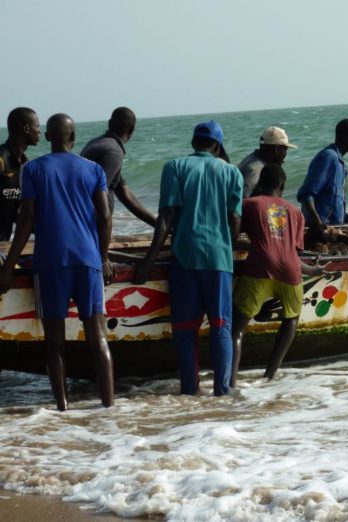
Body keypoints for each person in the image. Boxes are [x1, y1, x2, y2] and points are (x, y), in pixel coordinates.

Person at [0, 113, 114, 411]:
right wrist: (103, 258)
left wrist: (9, 266)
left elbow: (25, 221)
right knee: (98, 337)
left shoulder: (32, 169)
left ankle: (62, 409)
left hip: (51, 262)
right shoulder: (94, 169)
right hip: (88, 261)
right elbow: (104, 216)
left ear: (49, 137)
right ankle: (108, 406)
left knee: (54, 343)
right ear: (73, 136)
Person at [133, 121, 243, 396]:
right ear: (217, 146)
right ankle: (222, 392)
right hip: (218, 258)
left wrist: (148, 262)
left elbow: (166, 218)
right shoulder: (232, 173)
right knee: (221, 326)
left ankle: (189, 392)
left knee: (184, 330)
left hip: (183, 257)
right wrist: (228, 249)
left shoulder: (175, 167)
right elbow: (235, 219)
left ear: (193, 142)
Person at [232, 164, 325, 385]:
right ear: (282, 186)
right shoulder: (295, 212)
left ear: (259, 183)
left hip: (260, 268)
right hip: (291, 272)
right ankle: (269, 376)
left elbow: (233, 235)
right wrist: (313, 270)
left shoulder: (250, 205)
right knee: (291, 318)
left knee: (236, 329)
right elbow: (289, 253)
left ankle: (230, 382)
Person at [81, 107, 157, 227]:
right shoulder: (114, 152)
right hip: (89, 223)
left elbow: (124, 194)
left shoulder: (96, 143)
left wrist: (157, 224)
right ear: (132, 130)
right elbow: (97, 195)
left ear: (109, 123)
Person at [297, 119, 348, 236]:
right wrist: (317, 222)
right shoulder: (329, 157)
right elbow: (306, 195)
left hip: (333, 229)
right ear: (347, 139)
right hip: (321, 231)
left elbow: (334, 202)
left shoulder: (340, 163)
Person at [0, 107, 41, 240]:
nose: (40, 131)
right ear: (26, 129)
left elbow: (20, 213)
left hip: (4, 244)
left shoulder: (26, 164)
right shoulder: (1, 159)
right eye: (37, 126)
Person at [238, 126, 296, 197]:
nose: (285, 154)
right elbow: (245, 201)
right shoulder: (256, 169)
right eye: (285, 149)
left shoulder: (251, 159)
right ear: (276, 149)